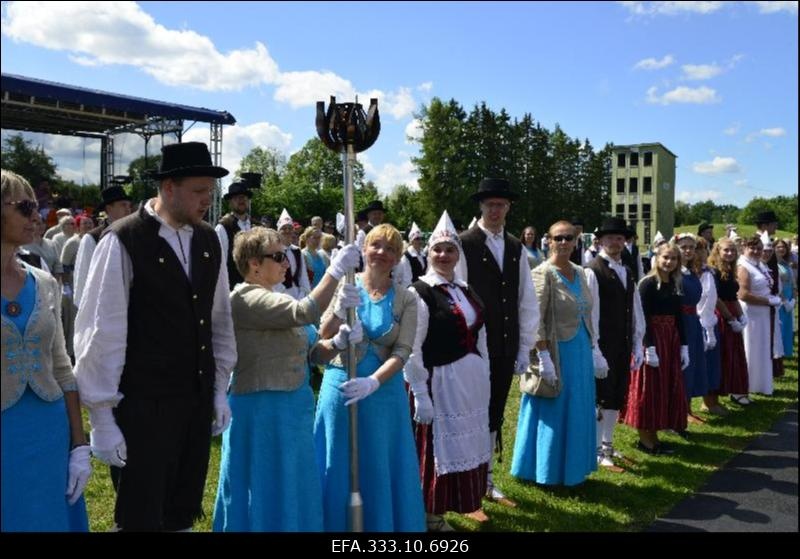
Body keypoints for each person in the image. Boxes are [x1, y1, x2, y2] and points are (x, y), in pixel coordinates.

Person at [74, 142, 237, 531]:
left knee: (181, 509)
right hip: (143, 408)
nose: (206, 201)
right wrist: (101, 417)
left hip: (193, 400)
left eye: (209, 193)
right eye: (198, 191)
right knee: (140, 516)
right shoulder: (123, 240)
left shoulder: (208, 240)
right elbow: (102, 330)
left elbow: (219, 319)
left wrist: (218, 389)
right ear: (168, 187)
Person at [213, 228, 361, 531]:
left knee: (293, 484)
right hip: (261, 411)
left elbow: (311, 353)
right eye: (278, 257)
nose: (286, 263)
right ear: (254, 264)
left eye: (287, 256)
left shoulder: (277, 296)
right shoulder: (244, 298)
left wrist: (337, 343)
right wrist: (334, 271)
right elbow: (304, 312)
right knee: (263, 485)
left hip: (292, 409)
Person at [314, 223, 425, 532]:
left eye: (391, 249)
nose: (382, 253)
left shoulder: (407, 299)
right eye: (376, 245)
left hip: (383, 393)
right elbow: (322, 335)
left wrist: (374, 381)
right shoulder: (346, 286)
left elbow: (402, 351)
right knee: (337, 460)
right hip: (340, 386)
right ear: (364, 249)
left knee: (379, 462)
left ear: (399, 257)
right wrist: (339, 311)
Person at [1, 169, 90, 531]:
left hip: (49, 432)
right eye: (24, 207)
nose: (36, 216)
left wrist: (79, 445)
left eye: (36, 207)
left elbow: (62, 367)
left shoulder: (43, 281)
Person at [406, 211, 491, 530]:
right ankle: (429, 515)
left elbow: (480, 335)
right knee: (436, 450)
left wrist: (485, 374)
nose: (443, 255)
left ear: (458, 254)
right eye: (437, 249)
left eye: (450, 250)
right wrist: (420, 394)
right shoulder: (420, 291)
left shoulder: (465, 289)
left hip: (468, 384)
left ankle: (446, 509)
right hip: (437, 380)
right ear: (428, 253)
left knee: (464, 446)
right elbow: (412, 347)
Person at [456, 178, 539, 507]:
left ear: (509, 208)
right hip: (472, 346)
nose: (495, 210)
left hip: (505, 345)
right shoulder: (464, 243)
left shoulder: (517, 246)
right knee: (469, 413)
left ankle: (487, 480)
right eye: (490, 204)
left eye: (501, 204)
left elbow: (526, 298)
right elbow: (457, 294)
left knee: (493, 413)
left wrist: (524, 346)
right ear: (481, 206)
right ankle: (467, 482)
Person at [511, 221, 599, 486]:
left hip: (580, 350)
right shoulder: (542, 273)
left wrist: (595, 348)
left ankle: (574, 468)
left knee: (578, 407)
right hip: (556, 352)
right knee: (553, 407)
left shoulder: (580, 272)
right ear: (547, 241)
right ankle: (544, 470)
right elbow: (534, 318)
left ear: (575, 242)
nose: (563, 243)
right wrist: (544, 357)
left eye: (568, 238)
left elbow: (587, 311)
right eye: (558, 238)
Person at [585, 217, 645, 471]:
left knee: (616, 395)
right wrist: (595, 348)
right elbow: (590, 313)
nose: (616, 242)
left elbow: (635, 308)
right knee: (601, 395)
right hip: (603, 343)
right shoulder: (592, 270)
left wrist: (638, 342)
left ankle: (608, 443)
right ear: (600, 241)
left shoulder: (627, 270)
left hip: (623, 342)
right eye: (610, 237)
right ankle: (597, 448)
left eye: (620, 238)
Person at [623, 242, 689, 454]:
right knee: (649, 389)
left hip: (670, 340)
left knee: (664, 388)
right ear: (657, 258)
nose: (669, 262)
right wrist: (648, 347)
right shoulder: (647, 284)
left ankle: (655, 435)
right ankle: (645, 439)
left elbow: (679, 317)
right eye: (666, 258)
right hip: (651, 339)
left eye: (673, 259)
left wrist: (684, 345)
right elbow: (641, 319)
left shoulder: (675, 283)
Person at [674, 233, 715, 427]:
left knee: (693, 365)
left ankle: (688, 407)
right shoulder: (673, 272)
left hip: (693, 320)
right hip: (680, 321)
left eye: (691, 247)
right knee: (683, 367)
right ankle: (680, 409)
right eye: (684, 247)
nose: (688, 250)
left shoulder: (690, 271)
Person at [73, 184, 133, 309]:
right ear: (109, 208)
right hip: (103, 309)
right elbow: (82, 280)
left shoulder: (134, 234)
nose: (128, 210)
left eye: (129, 206)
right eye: (123, 205)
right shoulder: (92, 238)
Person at [707, 239, 750, 406]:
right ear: (718, 251)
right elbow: (716, 298)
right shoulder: (713, 271)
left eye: (733, 250)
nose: (730, 253)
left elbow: (734, 296)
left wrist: (741, 315)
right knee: (723, 355)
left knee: (735, 354)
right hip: (721, 315)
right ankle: (716, 395)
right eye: (726, 250)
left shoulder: (731, 270)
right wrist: (731, 319)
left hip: (732, 312)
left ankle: (736, 390)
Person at [737, 234, 780, 397]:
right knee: (751, 347)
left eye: (758, 248)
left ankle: (759, 383)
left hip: (761, 313)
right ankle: (747, 384)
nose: (755, 251)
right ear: (744, 248)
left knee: (761, 348)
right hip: (751, 312)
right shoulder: (743, 266)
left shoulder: (758, 264)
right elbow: (743, 294)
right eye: (752, 248)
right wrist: (768, 301)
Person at [755, 211, 784, 378]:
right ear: (765, 225)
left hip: (772, 295)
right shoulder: (756, 243)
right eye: (773, 223)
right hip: (762, 296)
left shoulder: (769, 242)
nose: (776, 226)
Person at [60, 214, 94, 360]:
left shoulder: (94, 239)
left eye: (90, 223)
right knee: (74, 319)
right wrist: (66, 286)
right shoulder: (72, 243)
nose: (88, 226)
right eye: (84, 223)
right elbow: (64, 266)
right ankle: (72, 352)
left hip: (90, 282)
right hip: (74, 283)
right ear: (78, 226)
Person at [215, 181, 253, 290]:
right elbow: (220, 265)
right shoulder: (223, 227)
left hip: (259, 288)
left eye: (244, 197)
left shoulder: (257, 226)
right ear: (230, 202)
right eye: (237, 197)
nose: (241, 200)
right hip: (234, 289)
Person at [276, 208, 311, 300]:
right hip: (280, 295)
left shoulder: (297, 251)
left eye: (290, 228)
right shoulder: (275, 251)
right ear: (278, 232)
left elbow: (302, 274)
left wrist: (304, 294)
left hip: (298, 294)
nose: (287, 231)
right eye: (284, 228)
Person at [774, 239, 796, 359]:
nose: (781, 249)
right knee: (780, 324)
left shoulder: (786, 263)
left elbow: (793, 283)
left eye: (783, 247)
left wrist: (793, 299)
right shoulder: (772, 264)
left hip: (789, 295)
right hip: (780, 297)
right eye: (778, 247)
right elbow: (776, 285)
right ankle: (779, 351)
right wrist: (784, 301)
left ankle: (787, 350)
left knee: (788, 324)